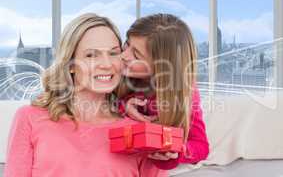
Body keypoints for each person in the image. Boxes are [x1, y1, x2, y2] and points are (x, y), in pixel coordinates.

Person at [3, 13, 167, 177]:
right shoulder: (30, 118)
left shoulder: (139, 131)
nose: (106, 64)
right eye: (91, 55)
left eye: (113, 53)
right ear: (71, 64)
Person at [116, 13, 210, 170]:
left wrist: (178, 151)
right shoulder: (117, 72)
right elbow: (98, 108)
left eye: (136, 55)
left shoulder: (186, 95)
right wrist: (123, 108)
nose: (123, 55)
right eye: (127, 44)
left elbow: (201, 147)